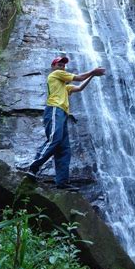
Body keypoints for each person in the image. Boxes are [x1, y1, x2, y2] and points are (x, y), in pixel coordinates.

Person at [26, 56, 105, 191]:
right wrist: (92, 71)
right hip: (54, 110)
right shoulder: (55, 74)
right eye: (59, 64)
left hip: (62, 114)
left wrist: (93, 76)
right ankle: (33, 167)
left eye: (63, 65)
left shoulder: (64, 86)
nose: (62, 66)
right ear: (53, 66)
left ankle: (61, 182)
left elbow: (79, 88)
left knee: (64, 149)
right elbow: (79, 78)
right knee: (54, 139)